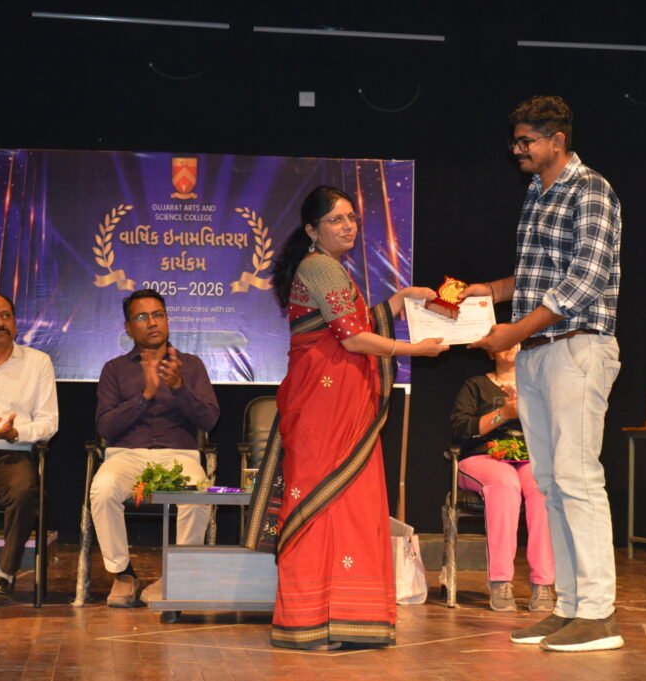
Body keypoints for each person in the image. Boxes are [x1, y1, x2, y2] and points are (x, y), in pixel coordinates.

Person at [244, 185, 448, 650]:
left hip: (340, 410)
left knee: (347, 508)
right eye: (336, 219)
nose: (348, 225)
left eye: (352, 217)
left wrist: (401, 299)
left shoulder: (330, 268)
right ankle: (308, 621)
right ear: (312, 230)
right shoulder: (319, 266)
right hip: (324, 411)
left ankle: (343, 618)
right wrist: (412, 349)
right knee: (319, 508)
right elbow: (354, 340)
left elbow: (354, 327)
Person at [463, 95, 624, 652]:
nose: (518, 150)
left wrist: (514, 331)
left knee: (578, 479)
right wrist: (489, 291)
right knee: (551, 483)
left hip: (576, 348)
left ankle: (599, 613)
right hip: (537, 352)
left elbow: (586, 278)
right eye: (515, 140)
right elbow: (537, 274)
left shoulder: (591, 189)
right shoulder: (537, 192)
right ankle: (570, 607)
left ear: (558, 140)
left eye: (526, 140)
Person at [90, 289, 219, 608]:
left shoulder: (191, 366)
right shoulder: (114, 369)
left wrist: (179, 389)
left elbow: (209, 419)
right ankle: (123, 574)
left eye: (158, 315)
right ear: (128, 327)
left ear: (167, 320)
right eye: (142, 317)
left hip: (179, 454)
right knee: (102, 489)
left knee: (199, 493)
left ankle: (177, 576)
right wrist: (144, 396)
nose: (152, 322)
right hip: (126, 455)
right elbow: (105, 426)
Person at [0, 291, 58, 606]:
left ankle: (4, 574)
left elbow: (49, 422)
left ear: (16, 323)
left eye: (6, 316)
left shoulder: (38, 362)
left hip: (11, 454)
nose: (0, 323)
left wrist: (16, 433)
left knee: (24, 491)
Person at [450, 344, 554, 612]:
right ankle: (500, 581)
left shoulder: (536, 386)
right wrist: (503, 414)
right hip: (483, 458)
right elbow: (460, 430)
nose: (512, 346)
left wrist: (528, 410)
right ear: (491, 352)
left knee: (542, 487)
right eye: (505, 342)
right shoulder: (475, 386)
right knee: (505, 484)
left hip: (527, 458)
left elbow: (553, 429)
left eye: (517, 341)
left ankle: (543, 583)